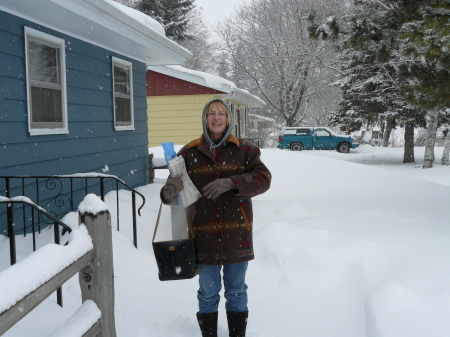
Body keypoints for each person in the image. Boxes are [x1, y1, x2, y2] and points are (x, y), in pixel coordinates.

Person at [160, 98, 271, 337]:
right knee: (208, 293)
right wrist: (168, 191)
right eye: (212, 113)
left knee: (236, 291)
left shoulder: (245, 150)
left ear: (228, 119)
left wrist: (232, 182)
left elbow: (264, 179)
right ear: (205, 118)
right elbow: (173, 195)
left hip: (237, 234)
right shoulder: (189, 152)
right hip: (203, 236)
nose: (217, 117)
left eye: (222, 113)